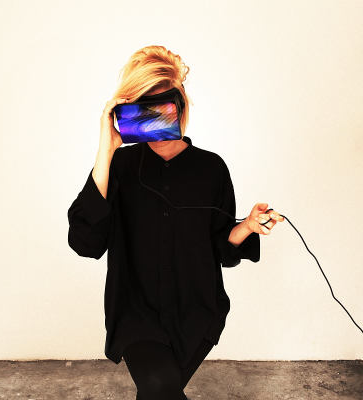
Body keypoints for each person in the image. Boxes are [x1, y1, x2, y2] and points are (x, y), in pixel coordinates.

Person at [67, 45, 284, 400]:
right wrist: (105, 151)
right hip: (136, 315)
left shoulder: (212, 168)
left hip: (197, 312)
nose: (152, 121)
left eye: (161, 109)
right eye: (141, 111)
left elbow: (221, 249)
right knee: (158, 387)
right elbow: (85, 243)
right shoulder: (119, 167)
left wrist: (247, 225)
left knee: (158, 392)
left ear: (179, 107)